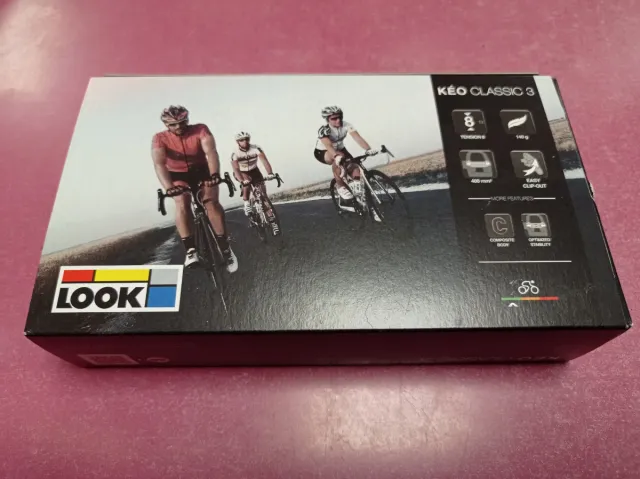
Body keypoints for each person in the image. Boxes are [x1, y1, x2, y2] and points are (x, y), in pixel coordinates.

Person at [151, 105, 238, 272]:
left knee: (210, 202)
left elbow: (211, 153)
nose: (178, 127)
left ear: (187, 119)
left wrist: (214, 174)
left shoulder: (200, 130)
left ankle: (224, 246)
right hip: (177, 174)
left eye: (182, 122)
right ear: (166, 125)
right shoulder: (159, 138)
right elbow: (159, 164)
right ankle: (191, 250)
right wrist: (169, 187)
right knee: (182, 202)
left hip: (201, 170)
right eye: (173, 124)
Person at [313, 106, 378, 202]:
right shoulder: (324, 129)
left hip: (340, 149)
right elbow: (328, 145)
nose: (338, 120)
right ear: (327, 120)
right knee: (339, 157)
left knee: (355, 167)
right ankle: (340, 186)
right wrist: (336, 156)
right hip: (323, 151)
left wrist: (368, 149)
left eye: (340, 117)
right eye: (334, 118)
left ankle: (358, 194)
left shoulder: (346, 125)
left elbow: (358, 138)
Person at [230, 132, 280, 235]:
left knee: (263, 197)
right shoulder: (235, 153)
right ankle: (246, 203)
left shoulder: (256, 148)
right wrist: (241, 180)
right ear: (237, 142)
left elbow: (264, 161)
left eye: (246, 139)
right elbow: (236, 169)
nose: (245, 141)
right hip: (241, 172)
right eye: (241, 140)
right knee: (246, 182)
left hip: (254, 171)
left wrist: (270, 173)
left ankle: (273, 222)